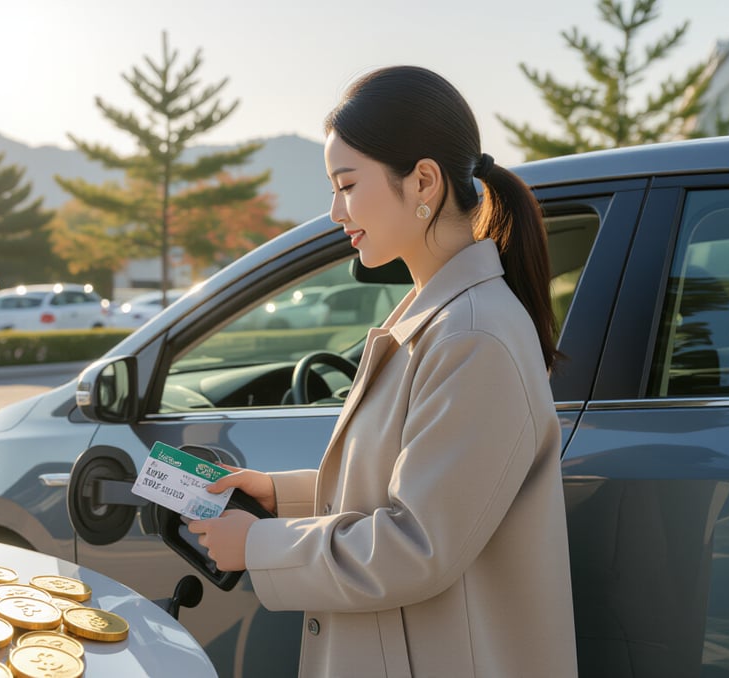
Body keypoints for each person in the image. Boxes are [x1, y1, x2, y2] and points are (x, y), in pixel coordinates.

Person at [187, 65, 578, 677]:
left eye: (346, 184)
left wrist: (257, 544)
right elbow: (409, 484)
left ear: (423, 180)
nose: (336, 210)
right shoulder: (442, 315)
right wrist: (281, 494)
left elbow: (416, 545)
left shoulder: (473, 334)